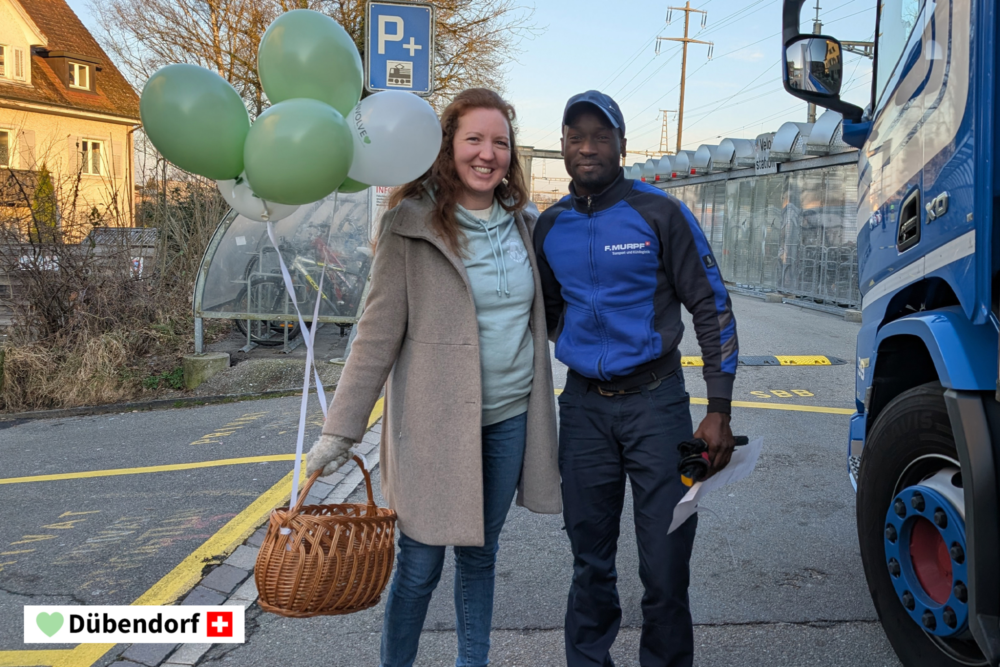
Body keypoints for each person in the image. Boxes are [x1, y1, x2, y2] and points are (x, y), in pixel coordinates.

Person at [306, 88, 561, 667]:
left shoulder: (526, 225)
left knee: (480, 556)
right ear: (448, 146)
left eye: (500, 142)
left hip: (508, 419)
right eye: (474, 139)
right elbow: (375, 335)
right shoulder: (410, 224)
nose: (487, 154)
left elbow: (553, 312)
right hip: (431, 427)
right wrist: (340, 430)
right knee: (420, 565)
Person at [533, 90, 739, 667]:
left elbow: (712, 306)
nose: (588, 148)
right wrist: (587, 347)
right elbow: (547, 311)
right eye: (576, 137)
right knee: (589, 564)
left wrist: (719, 408)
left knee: (666, 568)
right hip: (583, 411)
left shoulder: (660, 213)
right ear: (563, 145)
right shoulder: (550, 226)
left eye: (601, 137)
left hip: (658, 406)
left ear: (622, 145)